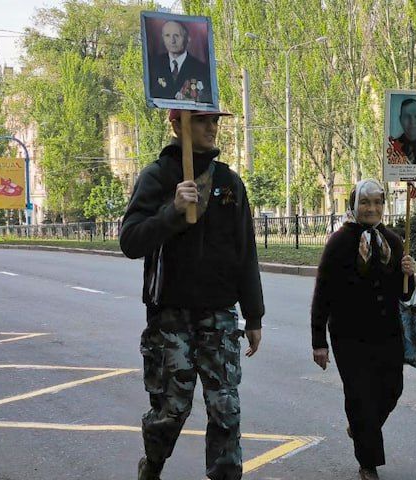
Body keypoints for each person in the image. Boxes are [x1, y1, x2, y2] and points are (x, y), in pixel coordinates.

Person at [120, 108, 264, 480]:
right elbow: (131, 241)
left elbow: (245, 250)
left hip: (219, 313)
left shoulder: (229, 182)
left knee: (225, 408)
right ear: (176, 125)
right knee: (172, 409)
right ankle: (152, 465)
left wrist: (254, 315)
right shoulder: (158, 177)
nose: (212, 127)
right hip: (171, 314)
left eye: (215, 120)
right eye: (202, 120)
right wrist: (173, 211)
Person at [310, 179, 416, 480]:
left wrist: (408, 274)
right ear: (354, 206)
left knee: (392, 390)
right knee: (360, 397)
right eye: (366, 203)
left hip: (387, 334)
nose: (372, 208)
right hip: (349, 336)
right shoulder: (340, 242)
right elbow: (323, 293)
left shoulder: (393, 242)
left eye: (377, 203)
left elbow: (405, 295)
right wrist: (319, 341)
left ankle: (359, 427)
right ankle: (368, 464)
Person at [149, 20, 212, 103]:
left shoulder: (201, 68)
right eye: (167, 35)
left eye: (177, 36)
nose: (172, 41)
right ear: (163, 38)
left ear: (188, 39)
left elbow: (206, 97)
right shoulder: (154, 64)